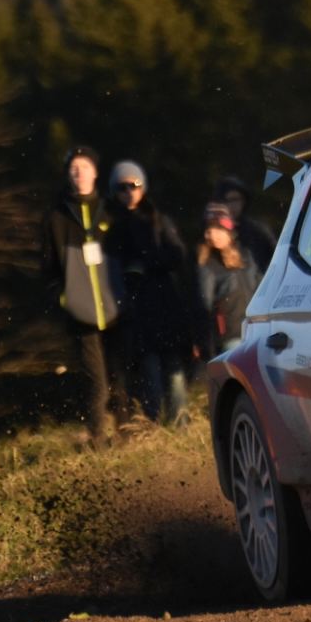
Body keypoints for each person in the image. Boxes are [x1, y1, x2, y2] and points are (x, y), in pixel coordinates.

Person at [41, 146, 125, 446]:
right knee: (96, 381)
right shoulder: (56, 217)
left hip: (115, 307)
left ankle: (127, 431)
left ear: (96, 172)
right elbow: (48, 268)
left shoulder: (110, 210)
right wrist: (64, 300)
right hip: (81, 314)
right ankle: (98, 436)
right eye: (74, 168)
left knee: (120, 374)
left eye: (84, 167)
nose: (79, 174)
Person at [107, 161, 191, 424]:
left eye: (134, 185)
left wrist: (147, 263)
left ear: (143, 187)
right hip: (136, 308)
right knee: (148, 371)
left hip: (165, 304)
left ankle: (180, 422)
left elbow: (178, 255)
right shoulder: (112, 227)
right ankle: (150, 424)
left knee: (174, 369)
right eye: (122, 187)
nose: (129, 191)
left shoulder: (159, 220)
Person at [195, 204, 263, 360]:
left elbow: (262, 286)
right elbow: (203, 307)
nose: (211, 234)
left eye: (217, 228)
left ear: (229, 231)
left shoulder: (247, 258)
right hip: (231, 336)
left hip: (257, 331)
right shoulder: (208, 266)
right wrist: (204, 342)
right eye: (208, 230)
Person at [212, 175, 277, 274]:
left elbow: (275, 259)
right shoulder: (212, 232)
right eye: (227, 200)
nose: (232, 205)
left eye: (236, 200)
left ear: (244, 201)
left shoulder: (258, 230)